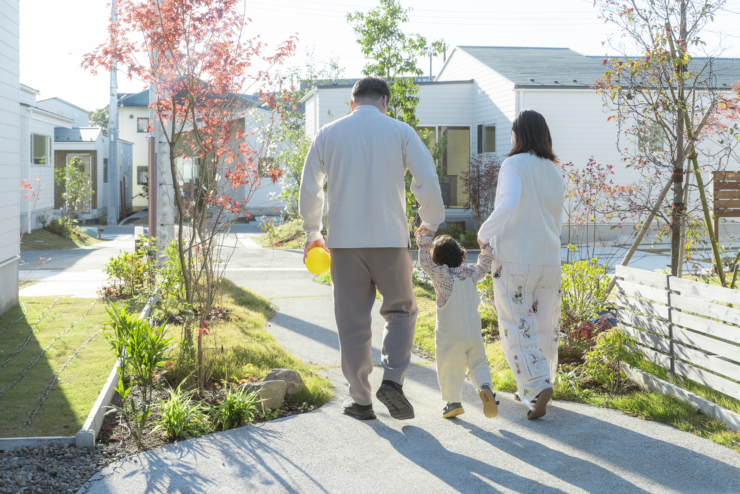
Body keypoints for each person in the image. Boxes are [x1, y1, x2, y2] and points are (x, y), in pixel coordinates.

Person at [299, 76, 445, 421]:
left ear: (353, 102)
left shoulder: (328, 133)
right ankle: (392, 380)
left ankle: (361, 401)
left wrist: (311, 232)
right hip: (390, 240)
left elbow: (310, 186)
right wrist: (431, 221)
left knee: (351, 324)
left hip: (343, 243)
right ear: (384, 102)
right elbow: (426, 178)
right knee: (401, 311)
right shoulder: (400, 131)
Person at [477, 109, 565, 420]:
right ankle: (541, 384)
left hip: (515, 258)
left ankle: (536, 385)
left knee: (516, 323)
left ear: (518, 134)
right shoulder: (555, 170)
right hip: (548, 259)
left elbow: (508, 203)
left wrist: (484, 233)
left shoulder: (513, 164)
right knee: (543, 326)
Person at [415, 232, 499, 419]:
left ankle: (453, 403)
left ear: (438, 259)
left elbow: (425, 264)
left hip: (450, 334)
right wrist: (486, 249)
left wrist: (423, 241)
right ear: (460, 254)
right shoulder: (470, 273)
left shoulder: (442, 275)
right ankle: (485, 387)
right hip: (472, 331)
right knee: (478, 362)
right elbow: (484, 265)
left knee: (449, 366)